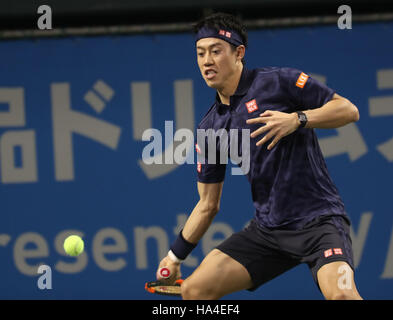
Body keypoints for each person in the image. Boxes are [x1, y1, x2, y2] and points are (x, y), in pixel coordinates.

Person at [156, 12, 362, 300]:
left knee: (342, 297)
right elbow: (207, 205)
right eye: (200, 53)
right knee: (194, 291)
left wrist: (297, 119)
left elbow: (348, 110)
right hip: (268, 232)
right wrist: (174, 258)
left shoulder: (279, 82)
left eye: (216, 51)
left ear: (239, 53)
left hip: (319, 222)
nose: (206, 61)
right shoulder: (211, 127)